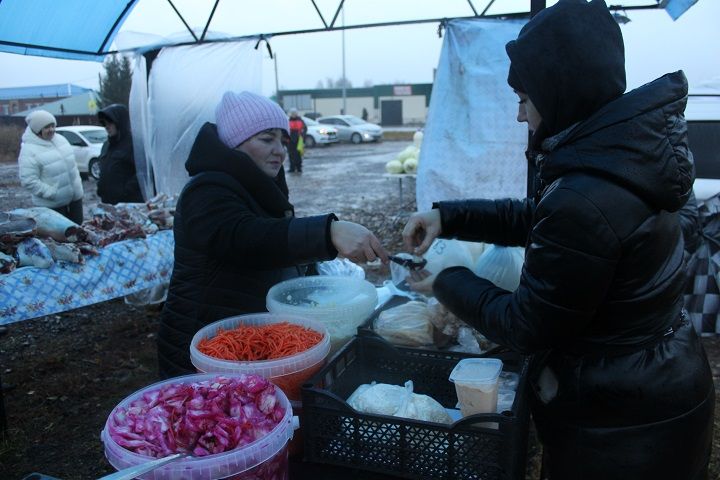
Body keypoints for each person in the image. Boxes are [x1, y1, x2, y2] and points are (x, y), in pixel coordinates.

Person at [402, 1, 715, 479]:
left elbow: (527, 325)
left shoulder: (588, 192)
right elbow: (542, 218)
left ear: (560, 91)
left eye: (524, 98)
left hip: (620, 424)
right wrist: (449, 217)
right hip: (660, 381)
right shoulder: (632, 155)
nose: (520, 115)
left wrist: (449, 279)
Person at [158, 91, 388, 377]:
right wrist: (327, 232)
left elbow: (275, 245)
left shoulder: (257, 185)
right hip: (201, 347)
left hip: (242, 339)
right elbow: (247, 238)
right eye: (267, 139)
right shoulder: (205, 191)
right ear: (234, 143)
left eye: (282, 139)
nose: (280, 149)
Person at [18, 110, 84, 224]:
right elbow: (28, 180)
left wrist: (78, 184)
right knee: (63, 237)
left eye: (53, 126)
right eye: (47, 127)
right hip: (53, 205)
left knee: (79, 231)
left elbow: (72, 166)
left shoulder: (61, 140)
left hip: (74, 200)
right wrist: (50, 193)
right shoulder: (29, 151)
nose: (52, 130)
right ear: (37, 130)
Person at [96, 104, 144, 204]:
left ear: (119, 122)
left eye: (110, 122)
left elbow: (143, 172)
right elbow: (103, 168)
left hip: (128, 204)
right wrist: (100, 187)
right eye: (104, 123)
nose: (107, 126)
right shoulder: (107, 145)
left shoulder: (134, 144)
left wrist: (125, 191)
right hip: (108, 202)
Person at [287, 108, 306, 173]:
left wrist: (302, 136)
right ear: (290, 114)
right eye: (292, 113)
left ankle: (299, 168)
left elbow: (305, 129)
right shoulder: (288, 121)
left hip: (299, 140)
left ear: (296, 113)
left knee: (298, 154)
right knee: (291, 154)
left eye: (294, 113)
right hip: (290, 140)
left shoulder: (301, 120)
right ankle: (292, 168)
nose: (293, 114)